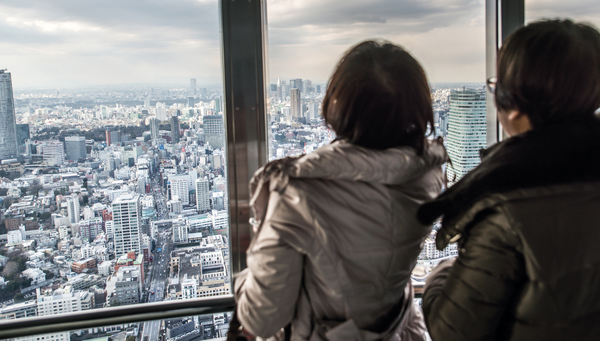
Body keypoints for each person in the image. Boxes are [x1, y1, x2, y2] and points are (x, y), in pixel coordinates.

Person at [233, 40, 447, 340]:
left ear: (338, 106)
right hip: (400, 330)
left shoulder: (300, 192)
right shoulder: (429, 174)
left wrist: (243, 280)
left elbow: (264, 316)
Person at [419, 19, 600, 340]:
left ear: (514, 107)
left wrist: (440, 276)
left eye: (496, 86)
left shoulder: (507, 208)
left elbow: (453, 331)